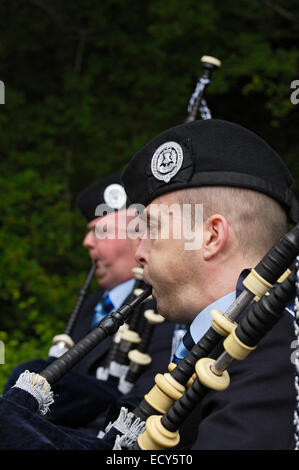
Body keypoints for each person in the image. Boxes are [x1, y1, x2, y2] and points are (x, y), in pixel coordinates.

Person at [119, 118, 299, 450]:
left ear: (212, 236)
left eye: (153, 230)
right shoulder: (234, 341)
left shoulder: (272, 351)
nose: (139, 254)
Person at [3, 173, 176, 434]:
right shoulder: (90, 305)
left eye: (100, 231)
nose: (87, 242)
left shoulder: (163, 304)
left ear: (138, 235)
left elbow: (151, 398)